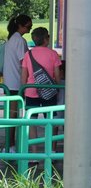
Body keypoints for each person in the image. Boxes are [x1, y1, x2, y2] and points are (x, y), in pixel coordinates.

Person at [20, 27, 62, 158]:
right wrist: (57, 87)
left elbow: (23, 76)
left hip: (31, 90)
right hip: (48, 91)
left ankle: (33, 154)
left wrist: (23, 90)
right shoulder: (53, 54)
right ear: (45, 39)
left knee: (32, 122)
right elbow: (57, 77)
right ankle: (52, 151)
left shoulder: (28, 55)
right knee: (51, 120)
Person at [2, 14, 32, 152]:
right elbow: (23, 63)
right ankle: (11, 146)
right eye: (28, 26)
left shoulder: (12, 39)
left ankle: (10, 145)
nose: (30, 29)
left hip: (10, 81)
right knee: (14, 115)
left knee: (11, 114)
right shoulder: (19, 41)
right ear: (21, 25)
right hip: (16, 82)